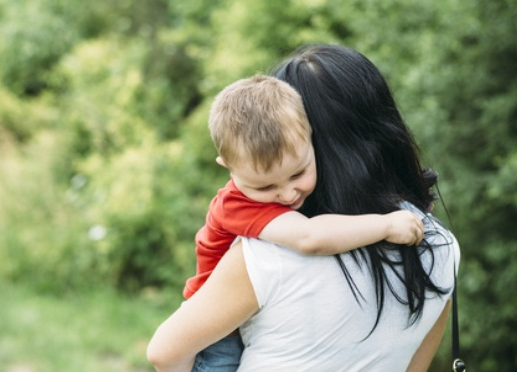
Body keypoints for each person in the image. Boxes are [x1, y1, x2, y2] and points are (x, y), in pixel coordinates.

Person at [180, 74, 425, 371]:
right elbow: (310, 238)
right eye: (265, 187)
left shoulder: (270, 192)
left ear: (312, 137)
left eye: (297, 174)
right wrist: (386, 225)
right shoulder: (235, 205)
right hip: (215, 335)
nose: (286, 194)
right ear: (227, 167)